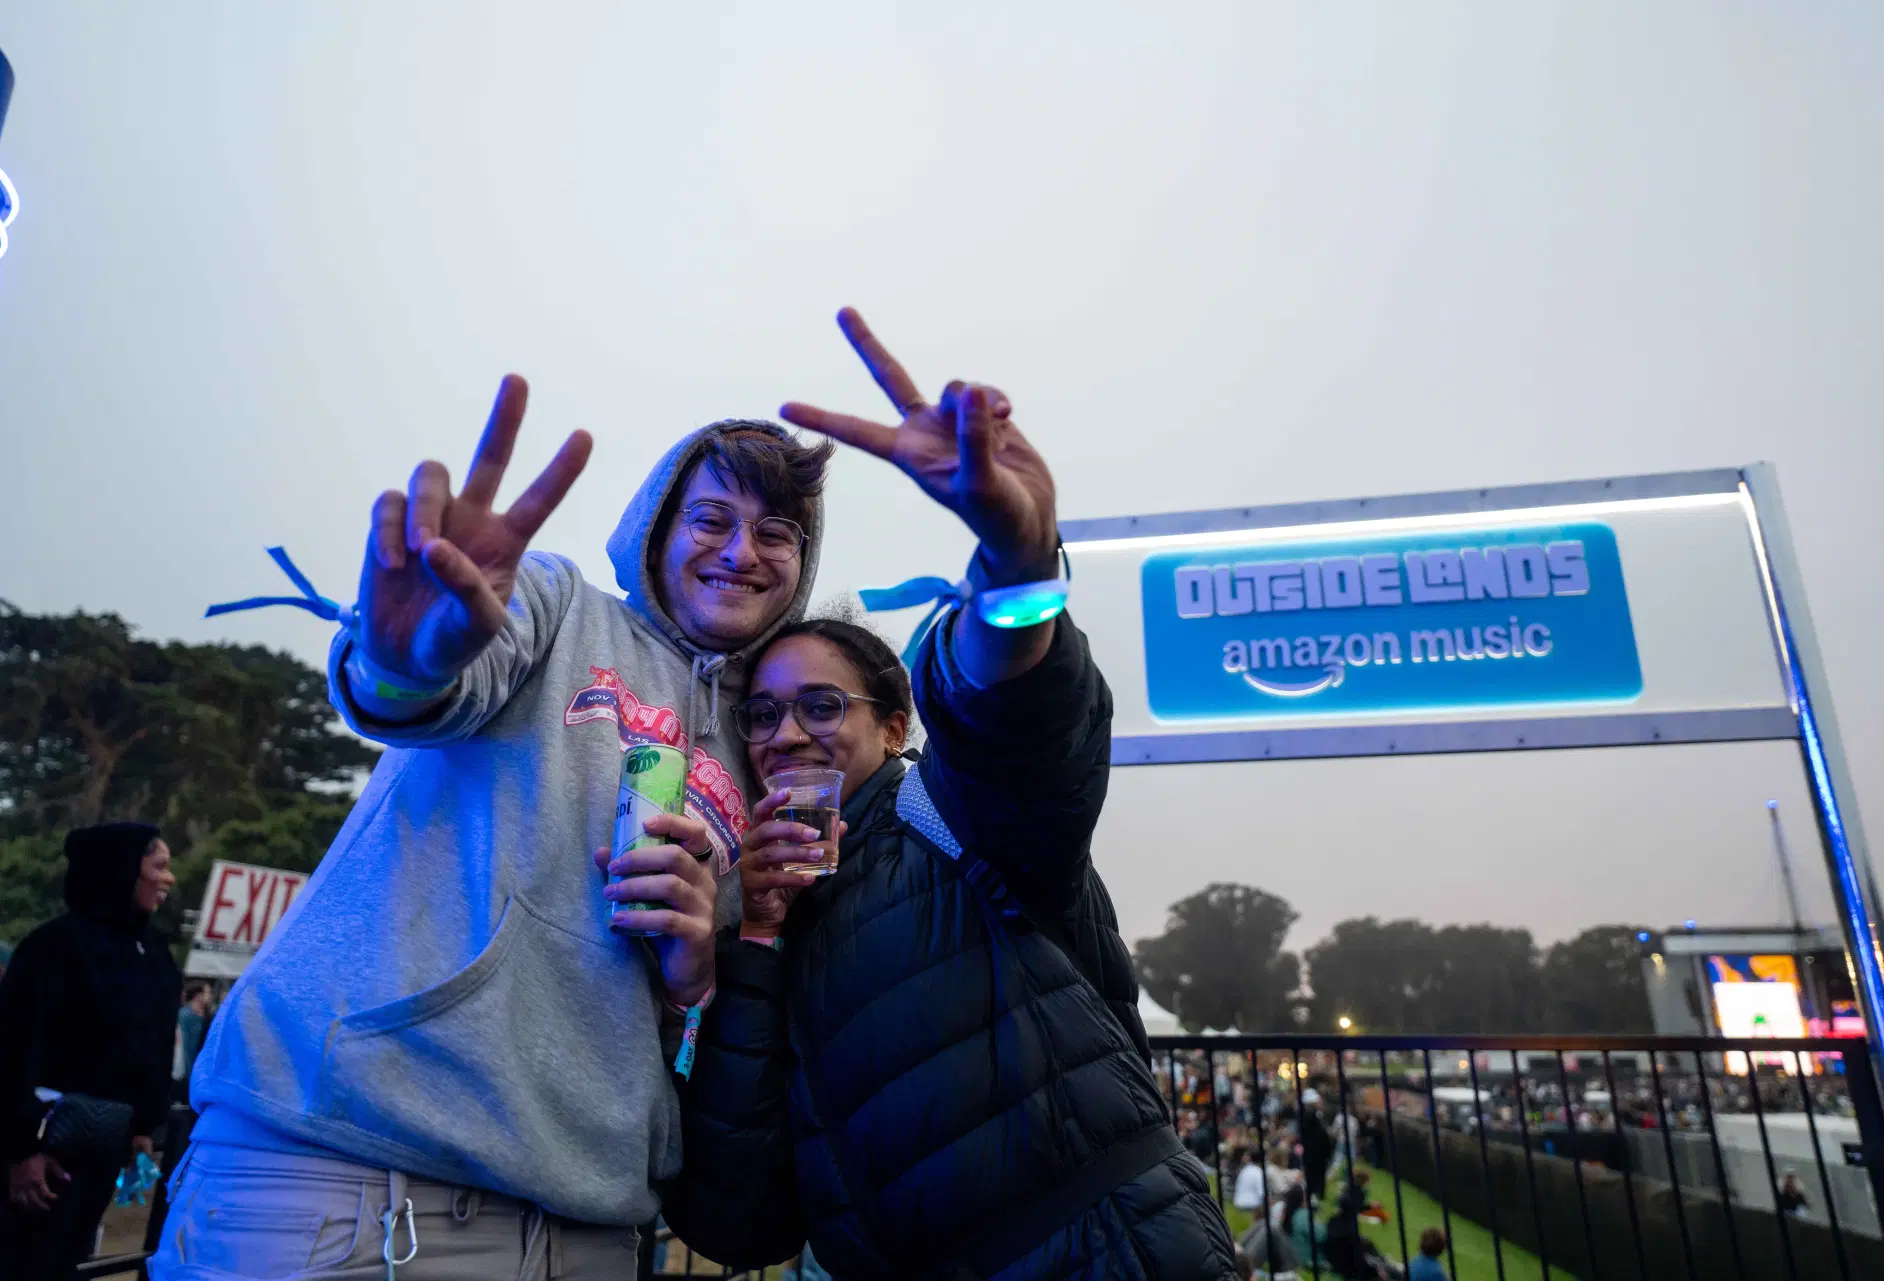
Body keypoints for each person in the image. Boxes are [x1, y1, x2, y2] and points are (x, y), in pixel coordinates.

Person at [154, 378, 832, 1279]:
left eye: (777, 532)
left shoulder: (769, 745)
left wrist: (696, 970)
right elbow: (434, 689)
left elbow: (694, 1022)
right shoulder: (557, 603)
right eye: (711, 519)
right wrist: (404, 661)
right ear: (657, 530)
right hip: (344, 1168)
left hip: (589, 1223)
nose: (742, 551)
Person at [637, 310, 1238, 1278]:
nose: (784, 733)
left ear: (893, 726)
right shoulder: (752, 912)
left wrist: (1017, 569)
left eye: (821, 705)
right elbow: (739, 1221)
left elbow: (1016, 722)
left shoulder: (953, 819)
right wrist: (755, 944)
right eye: (760, 714)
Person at [0, 822, 180, 1281]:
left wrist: (144, 1126)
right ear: (122, 870)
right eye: (158, 865)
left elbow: (154, 1044)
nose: (169, 878)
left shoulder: (154, 950)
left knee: (69, 1262)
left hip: (105, 1147)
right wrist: (20, 1151)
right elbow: (14, 1049)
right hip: (44, 1152)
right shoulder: (53, 946)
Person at [170, 982, 210, 1105]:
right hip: (188, 1068)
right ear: (198, 995)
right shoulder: (185, 1015)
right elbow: (185, 1046)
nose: (210, 996)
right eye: (207, 993)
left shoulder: (207, 1015)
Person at [1299, 1089, 1334, 1204]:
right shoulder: (1310, 1116)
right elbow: (1317, 1135)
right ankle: (1314, 1194)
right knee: (1314, 1174)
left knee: (1318, 1174)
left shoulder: (1315, 1115)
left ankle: (1317, 1193)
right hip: (1315, 1153)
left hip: (1318, 1152)